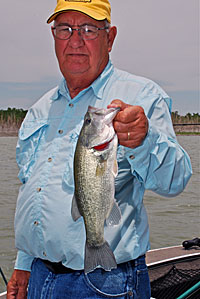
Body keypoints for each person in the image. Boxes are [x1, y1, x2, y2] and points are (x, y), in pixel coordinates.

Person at [7, 0, 192, 298]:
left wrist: (145, 140)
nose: (75, 41)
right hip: (40, 277)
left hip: (107, 283)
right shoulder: (41, 109)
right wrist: (24, 263)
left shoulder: (142, 95)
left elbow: (176, 181)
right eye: (64, 29)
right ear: (54, 37)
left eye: (89, 29)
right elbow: (33, 188)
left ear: (110, 37)